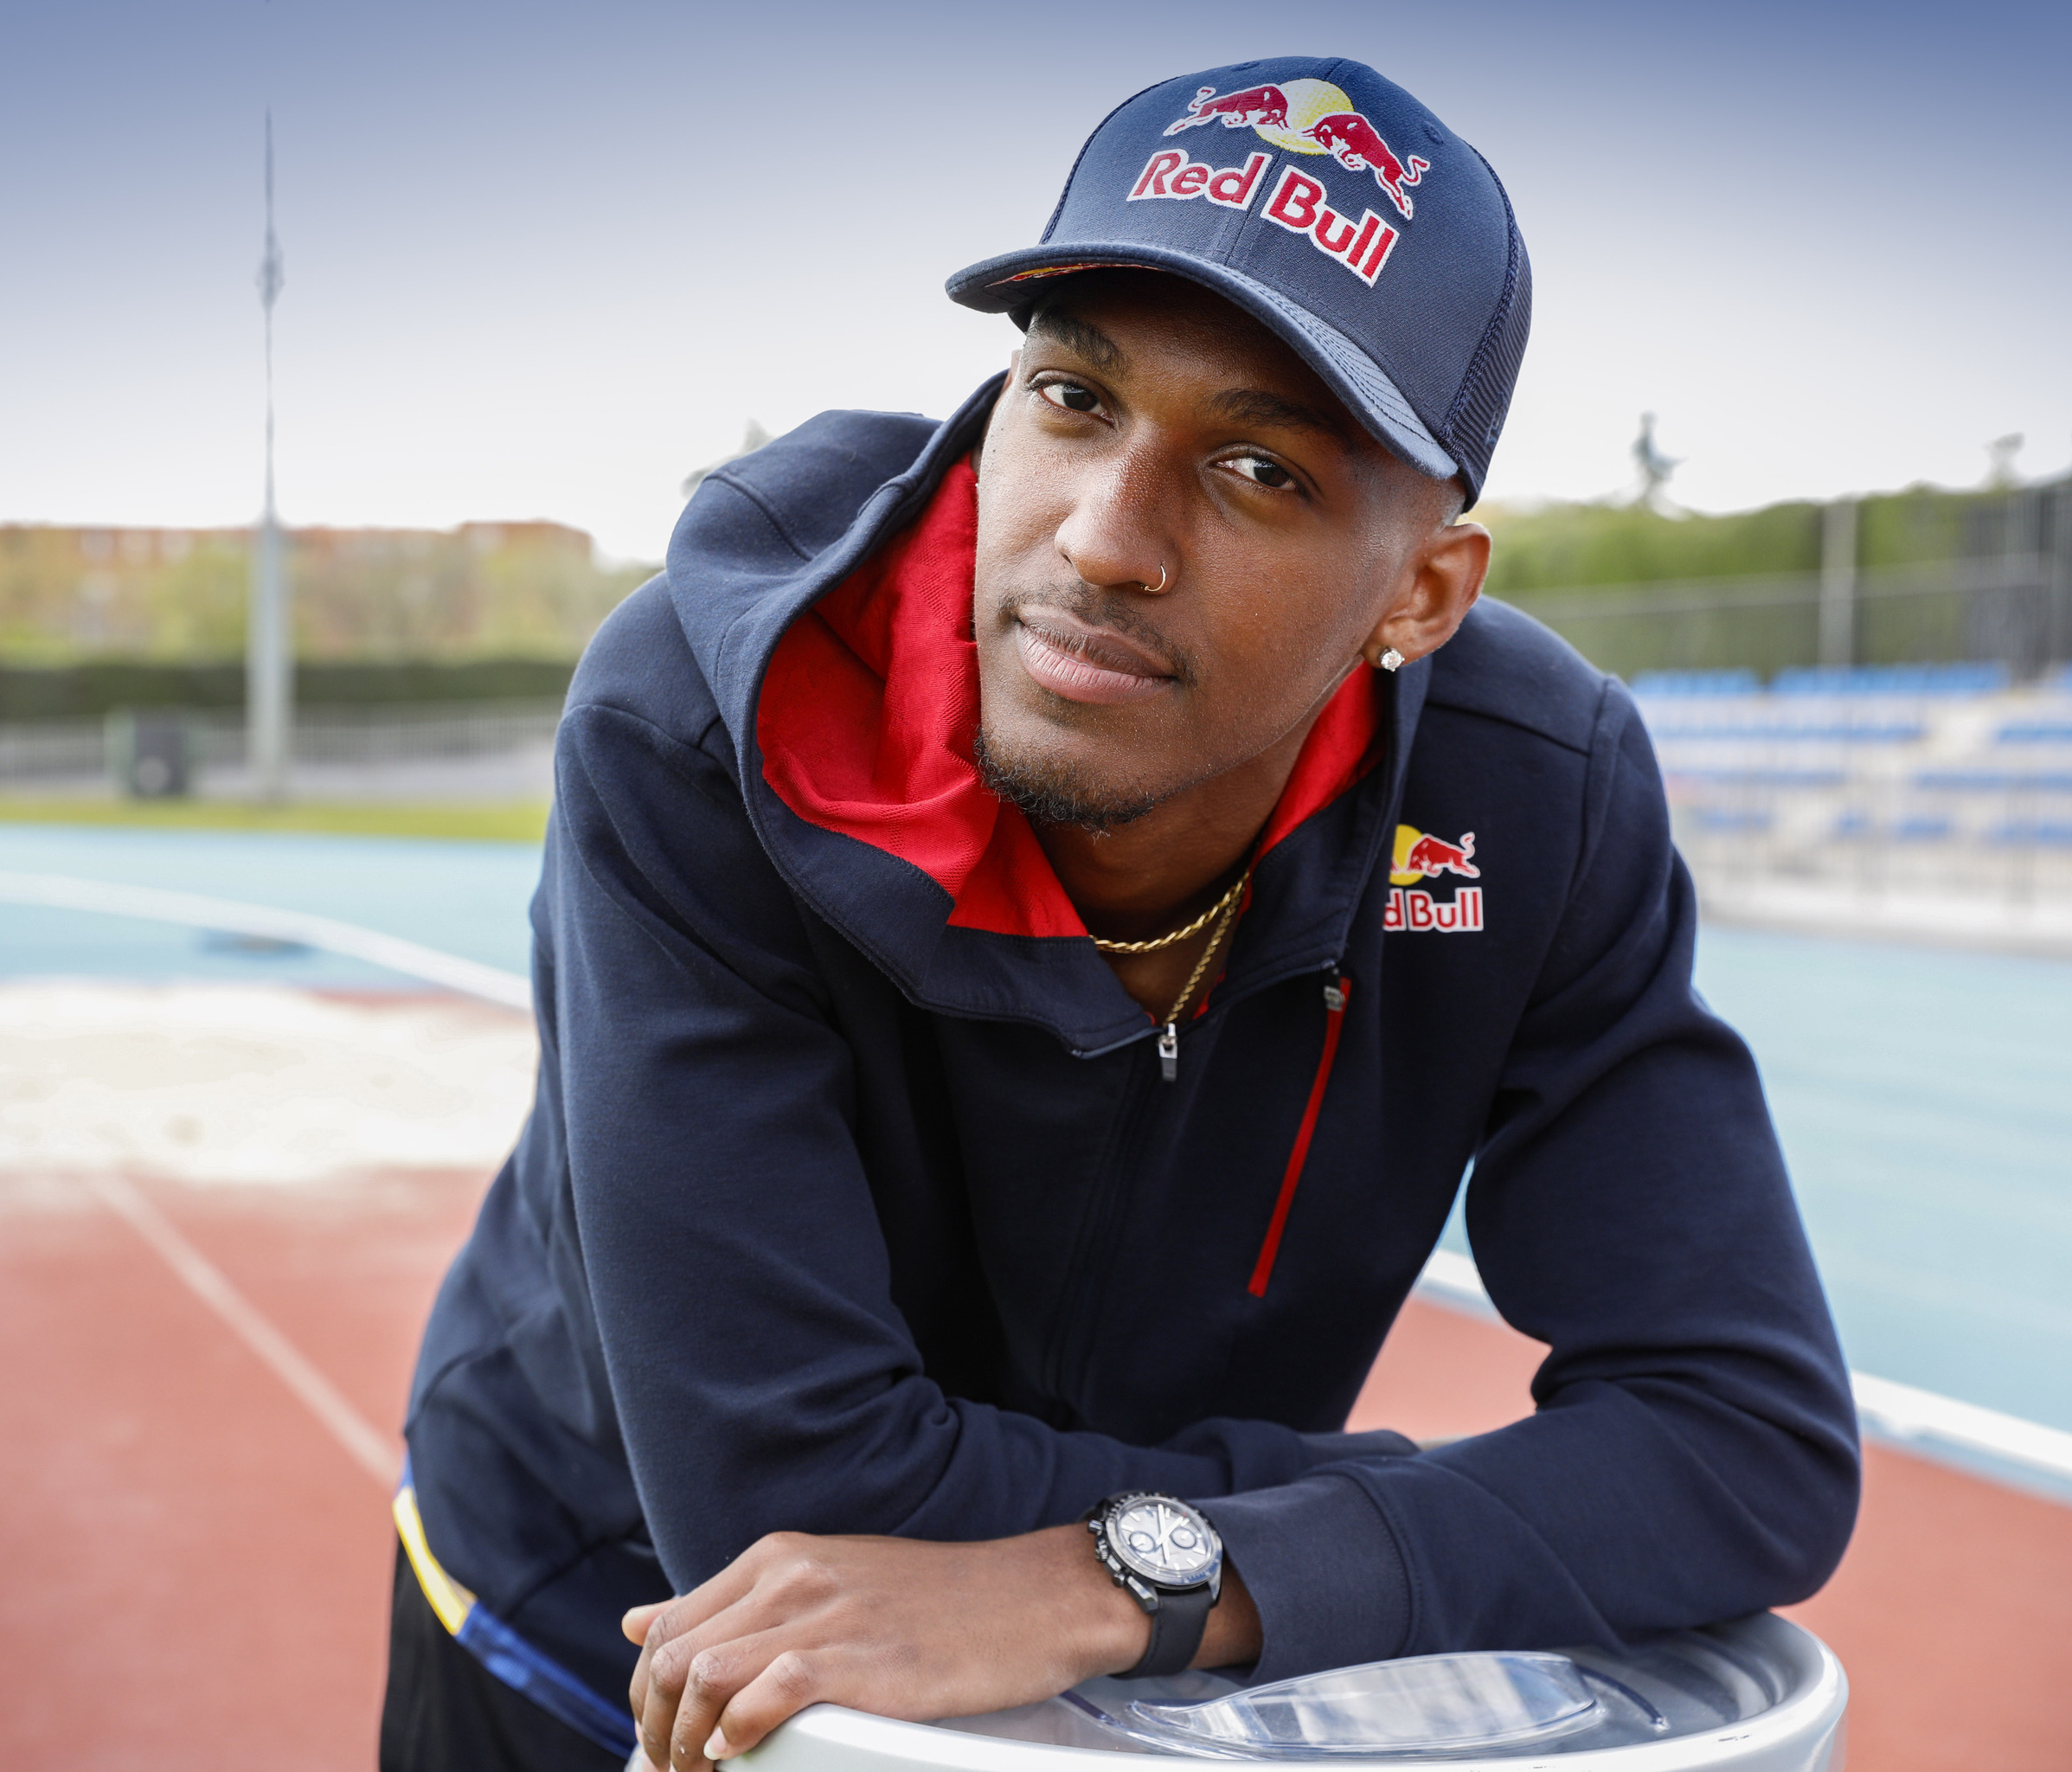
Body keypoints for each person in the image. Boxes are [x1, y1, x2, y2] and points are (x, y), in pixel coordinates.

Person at [379, 55, 1858, 1772]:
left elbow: (1743, 1439)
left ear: (1424, 591)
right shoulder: (716, 711)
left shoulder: (1533, 799)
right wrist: (1376, 1516)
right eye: (1077, 397)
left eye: (1257, 472)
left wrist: (1135, 1576)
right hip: (605, 1641)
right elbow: (790, 1507)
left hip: (1129, 1691)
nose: (1104, 538)